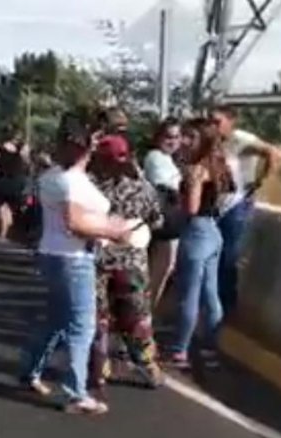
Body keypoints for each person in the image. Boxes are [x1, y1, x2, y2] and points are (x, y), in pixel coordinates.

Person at [18, 113, 137, 415]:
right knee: (80, 327)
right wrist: (115, 231)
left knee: (55, 320)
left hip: (54, 255)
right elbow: (75, 223)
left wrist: (107, 225)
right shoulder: (69, 180)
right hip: (73, 258)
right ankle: (75, 394)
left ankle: (30, 372)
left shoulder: (53, 177)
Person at [87, 134, 166, 393]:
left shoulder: (88, 185)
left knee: (97, 318)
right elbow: (157, 221)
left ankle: (98, 368)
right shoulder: (142, 187)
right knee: (136, 318)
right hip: (131, 262)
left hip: (95, 260)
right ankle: (148, 367)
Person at [169, 120, 237, 368]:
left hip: (196, 230)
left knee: (189, 294)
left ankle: (180, 350)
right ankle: (210, 347)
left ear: (203, 141)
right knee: (211, 295)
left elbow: (191, 208)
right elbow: (230, 195)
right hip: (213, 230)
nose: (184, 141)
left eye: (191, 137)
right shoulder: (218, 166)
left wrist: (178, 201)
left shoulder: (196, 170)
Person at [209, 105, 281, 317]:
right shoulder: (214, 141)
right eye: (211, 121)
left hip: (236, 206)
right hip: (218, 206)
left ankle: (227, 306)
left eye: (218, 121)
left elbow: (274, 153)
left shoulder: (240, 138)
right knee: (216, 256)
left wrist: (261, 183)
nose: (213, 126)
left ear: (231, 122)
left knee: (228, 257)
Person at [143, 118, 185, 308]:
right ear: (158, 137)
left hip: (170, 222)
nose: (173, 141)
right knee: (161, 269)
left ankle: (147, 312)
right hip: (163, 222)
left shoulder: (169, 159)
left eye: (177, 137)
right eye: (168, 137)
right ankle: (145, 314)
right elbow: (168, 187)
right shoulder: (155, 158)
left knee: (163, 269)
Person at [0, 130, 29, 242]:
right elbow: (26, 162)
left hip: (4, 180)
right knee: (10, 207)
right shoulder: (22, 148)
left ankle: (3, 235)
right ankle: (8, 232)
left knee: (2, 208)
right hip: (18, 181)